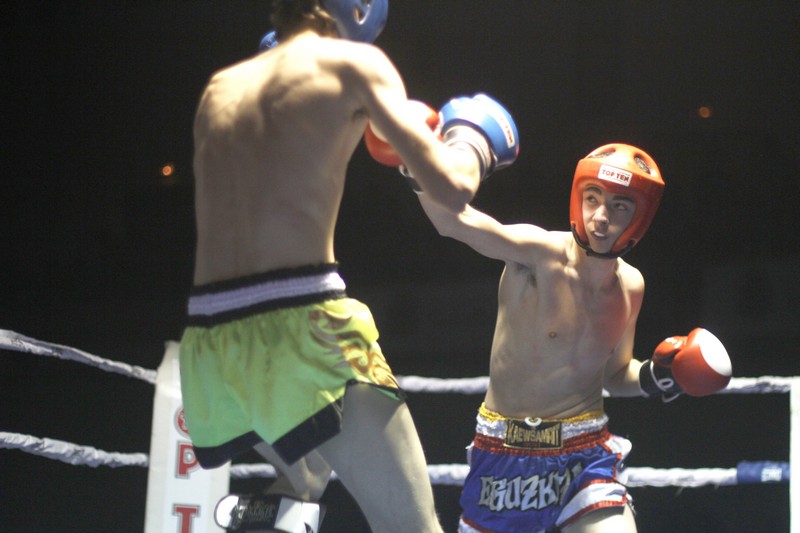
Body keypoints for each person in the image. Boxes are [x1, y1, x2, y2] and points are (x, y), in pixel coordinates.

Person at [177, 0, 519, 531]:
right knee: (413, 526)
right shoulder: (354, 66)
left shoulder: (219, 88)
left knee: (306, 476)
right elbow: (453, 190)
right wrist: (470, 139)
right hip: (303, 327)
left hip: (213, 343)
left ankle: (278, 510)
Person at [413, 143, 732, 532]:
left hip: (584, 453)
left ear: (640, 217)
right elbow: (452, 221)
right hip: (505, 453)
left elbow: (615, 375)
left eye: (619, 206)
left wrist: (659, 375)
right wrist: (410, 159)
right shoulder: (537, 254)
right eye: (592, 198)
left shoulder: (631, 285)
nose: (600, 217)